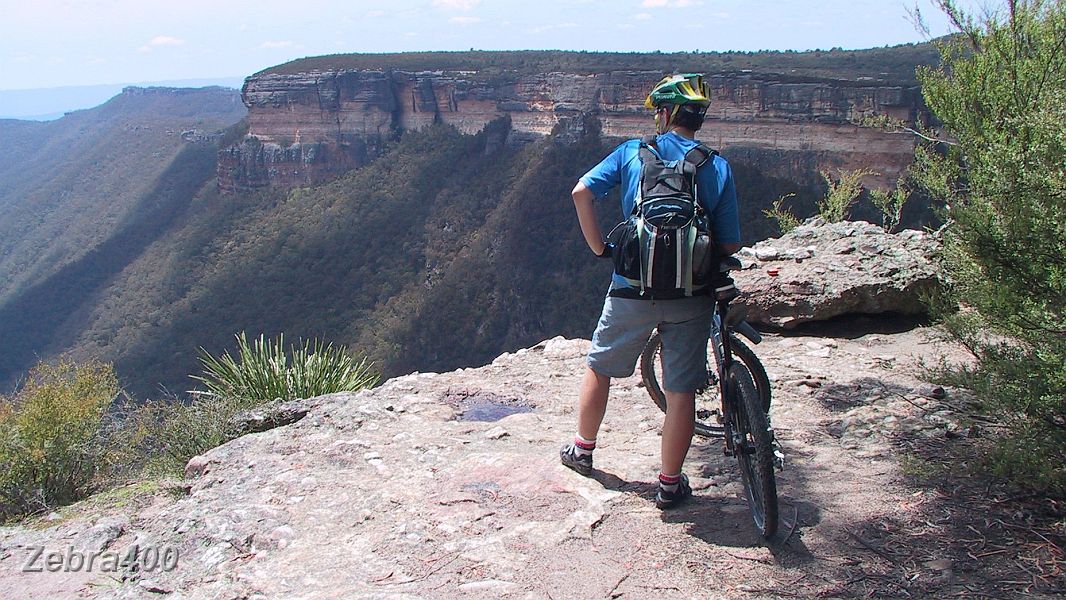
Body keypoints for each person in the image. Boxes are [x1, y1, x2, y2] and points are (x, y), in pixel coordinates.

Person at [559, 73, 742, 509]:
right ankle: (669, 484)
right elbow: (731, 242)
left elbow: (581, 191)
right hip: (691, 295)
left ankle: (583, 450)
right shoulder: (716, 165)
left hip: (630, 288)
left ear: (665, 113)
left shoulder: (632, 154)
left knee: (600, 366)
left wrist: (602, 247)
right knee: (681, 389)